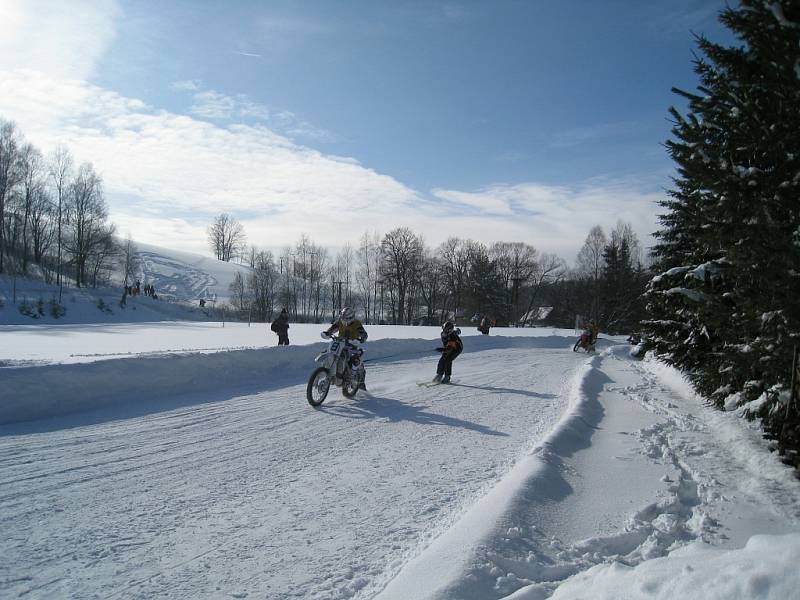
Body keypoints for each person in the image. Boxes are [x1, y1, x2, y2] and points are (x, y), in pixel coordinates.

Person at [322, 306, 368, 390]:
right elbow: (333, 328)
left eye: (346, 318)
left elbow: (363, 333)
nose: (345, 320)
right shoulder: (339, 322)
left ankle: (358, 381)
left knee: (355, 360)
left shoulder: (357, 324)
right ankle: (326, 371)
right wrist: (328, 333)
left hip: (351, 345)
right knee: (327, 353)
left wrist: (361, 338)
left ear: (351, 317)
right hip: (339, 344)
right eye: (343, 318)